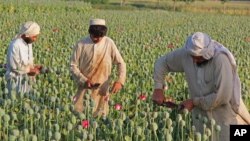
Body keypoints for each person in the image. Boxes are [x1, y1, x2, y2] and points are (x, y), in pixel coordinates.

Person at [152, 32, 250, 141]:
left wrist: (194, 102)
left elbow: (222, 97)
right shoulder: (187, 55)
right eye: (192, 57)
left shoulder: (220, 60)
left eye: (198, 58)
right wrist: (158, 88)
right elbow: (162, 63)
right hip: (201, 124)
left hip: (227, 122)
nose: (194, 60)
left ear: (207, 53)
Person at [70, 19, 126, 117]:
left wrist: (120, 81)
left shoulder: (109, 43)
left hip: (102, 90)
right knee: (80, 116)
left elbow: (121, 63)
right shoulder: (81, 44)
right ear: (90, 33)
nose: (97, 39)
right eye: (94, 36)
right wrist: (84, 80)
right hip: (84, 88)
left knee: (100, 117)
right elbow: (73, 66)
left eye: (99, 37)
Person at [5, 21, 42, 95]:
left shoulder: (28, 44)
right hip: (16, 81)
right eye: (34, 36)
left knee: (26, 99)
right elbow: (14, 66)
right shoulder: (15, 45)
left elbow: (27, 61)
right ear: (27, 35)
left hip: (27, 80)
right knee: (16, 101)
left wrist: (33, 66)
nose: (35, 39)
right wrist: (29, 70)